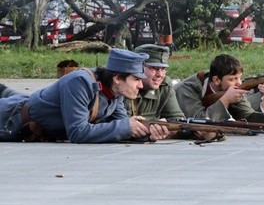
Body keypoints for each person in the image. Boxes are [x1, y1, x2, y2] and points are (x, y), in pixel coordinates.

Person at [0, 48, 169, 143]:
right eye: (136, 79)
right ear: (117, 78)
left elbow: (117, 125)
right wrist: (126, 127)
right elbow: (78, 132)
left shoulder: (115, 91)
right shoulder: (80, 82)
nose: (141, 84)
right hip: (9, 119)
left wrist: (147, 133)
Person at [174, 53, 264, 123]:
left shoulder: (231, 89)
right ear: (216, 80)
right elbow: (197, 121)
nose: (239, 83)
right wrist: (225, 100)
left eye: (240, 77)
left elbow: (251, 121)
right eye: (232, 79)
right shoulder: (189, 88)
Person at [124, 44, 184, 121]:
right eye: (154, 68)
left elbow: (177, 119)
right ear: (138, 67)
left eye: (163, 69)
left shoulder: (164, 85)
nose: (160, 75)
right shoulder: (124, 84)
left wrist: (166, 127)